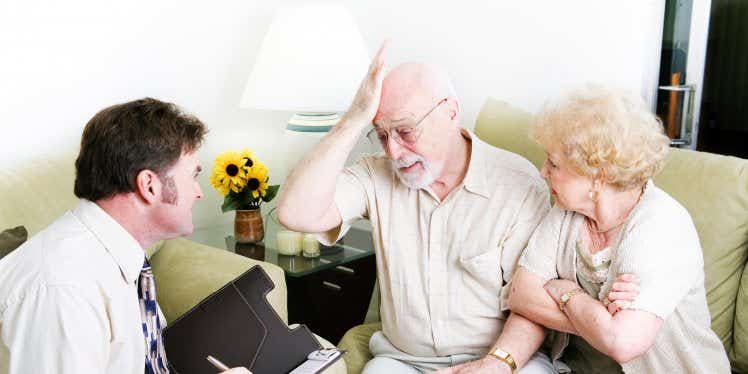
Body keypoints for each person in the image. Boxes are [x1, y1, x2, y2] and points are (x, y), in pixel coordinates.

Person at [278, 43, 558, 373]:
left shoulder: (518, 184)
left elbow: (534, 304)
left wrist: (497, 363)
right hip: (403, 362)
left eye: (406, 131)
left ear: (451, 112)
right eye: (381, 134)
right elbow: (295, 213)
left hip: (503, 358)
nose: (394, 151)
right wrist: (354, 118)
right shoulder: (375, 173)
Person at [0, 98, 250, 374]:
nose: (199, 192)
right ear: (149, 186)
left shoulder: (120, 254)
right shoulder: (63, 291)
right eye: (192, 176)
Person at [507, 86, 731, 373]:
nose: (542, 172)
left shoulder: (660, 225)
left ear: (597, 176)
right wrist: (599, 319)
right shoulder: (567, 211)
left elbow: (623, 342)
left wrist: (567, 293)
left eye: (553, 163)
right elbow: (521, 294)